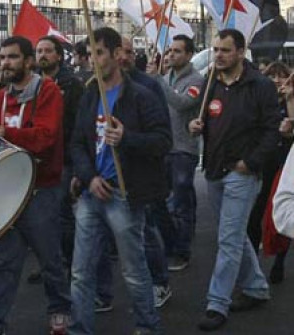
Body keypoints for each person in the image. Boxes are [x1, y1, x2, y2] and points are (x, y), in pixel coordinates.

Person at [0, 36, 70, 335]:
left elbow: (46, 137)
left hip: (42, 187)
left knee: (49, 257)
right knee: (4, 261)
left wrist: (7, 133)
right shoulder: (3, 96)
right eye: (3, 57)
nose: (5, 63)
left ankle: (60, 310)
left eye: (12, 57)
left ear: (29, 61)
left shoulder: (48, 91)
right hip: (11, 189)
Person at [69, 27, 169, 335]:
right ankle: (79, 329)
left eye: (99, 53)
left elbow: (162, 142)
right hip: (92, 192)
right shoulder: (89, 95)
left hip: (124, 194)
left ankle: (146, 326)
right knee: (80, 272)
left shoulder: (141, 95)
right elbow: (77, 143)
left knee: (134, 271)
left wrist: (127, 138)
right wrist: (89, 177)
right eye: (89, 54)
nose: (93, 60)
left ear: (116, 54)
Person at [188, 29, 277, 331]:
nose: (218, 55)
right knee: (234, 234)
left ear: (241, 52)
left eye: (225, 50)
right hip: (214, 171)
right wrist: (196, 125)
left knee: (227, 239)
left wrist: (250, 163)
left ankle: (217, 303)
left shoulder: (260, 85)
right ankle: (255, 287)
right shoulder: (210, 82)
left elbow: (272, 130)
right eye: (215, 50)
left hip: (241, 174)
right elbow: (203, 118)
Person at [94, 35, 173, 312]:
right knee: (102, 237)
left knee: (146, 231)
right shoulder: (96, 86)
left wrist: (128, 138)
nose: (124, 57)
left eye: (128, 52)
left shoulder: (148, 86)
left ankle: (159, 281)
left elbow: (162, 138)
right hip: (105, 178)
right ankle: (103, 293)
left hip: (139, 177)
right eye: (120, 52)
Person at [147, 35, 204, 273]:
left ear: (189, 55)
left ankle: (182, 250)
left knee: (181, 199)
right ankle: (170, 242)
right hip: (164, 147)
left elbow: (181, 103)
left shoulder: (197, 80)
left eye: (177, 51)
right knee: (158, 199)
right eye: (170, 51)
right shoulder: (165, 76)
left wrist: (159, 82)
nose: (171, 55)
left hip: (183, 149)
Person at [37, 36, 85, 274]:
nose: (42, 55)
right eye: (39, 51)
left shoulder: (71, 84)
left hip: (63, 158)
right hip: (39, 159)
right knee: (44, 216)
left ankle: (69, 263)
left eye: (47, 50)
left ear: (58, 55)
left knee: (62, 214)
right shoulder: (34, 84)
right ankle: (49, 262)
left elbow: (76, 124)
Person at [249, 62, 293, 284]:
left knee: (281, 213)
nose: (277, 80)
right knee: (256, 213)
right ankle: (252, 264)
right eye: (273, 76)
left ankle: (279, 262)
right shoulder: (261, 103)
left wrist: (290, 100)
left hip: (284, 165)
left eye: (282, 76)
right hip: (263, 165)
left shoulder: (290, 100)